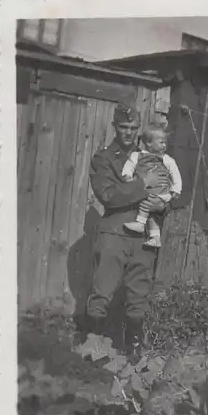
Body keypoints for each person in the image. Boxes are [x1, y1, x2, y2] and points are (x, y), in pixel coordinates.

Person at [86, 103, 170, 363]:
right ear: (115, 127)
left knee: (139, 295)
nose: (129, 133)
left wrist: (162, 205)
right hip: (115, 235)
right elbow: (109, 196)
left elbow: (165, 185)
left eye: (134, 128)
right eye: (124, 127)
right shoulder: (103, 159)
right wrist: (143, 185)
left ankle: (133, 353)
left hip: (144, 236)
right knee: (102, 291)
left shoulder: (150, 156)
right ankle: (92, 346)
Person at [122, 123, 182, 248]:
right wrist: (127, 175)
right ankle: (155, 237)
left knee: (147, 203)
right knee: (151, 211)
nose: (164, 146)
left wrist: (176, 190)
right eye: (161, 142)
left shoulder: (167, 159)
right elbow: (129, 165)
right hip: (146, 188)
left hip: (160, 191)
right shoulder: (137, 155)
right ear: (149, 143)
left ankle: (140, 223)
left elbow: (175, 174)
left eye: (165, 142)